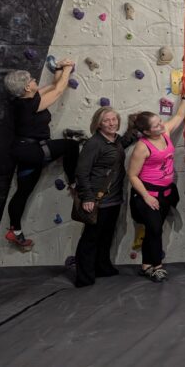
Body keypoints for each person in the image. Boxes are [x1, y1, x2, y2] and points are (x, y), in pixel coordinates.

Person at [3, 60, 79, 250]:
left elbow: (53, 85)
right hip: (32, 151)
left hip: (24, 152)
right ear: (27, 87)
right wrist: (69, 68)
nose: (35, 80)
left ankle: (15, 231)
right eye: (31, 79)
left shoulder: (26, 100)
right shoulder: (28, 105)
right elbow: (59, 91)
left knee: (23, 192)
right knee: (71, 146)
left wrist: (60, 68)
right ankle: (74, 183)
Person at [127, 82, 185, 282]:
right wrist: (146, 197)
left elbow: (179, 116)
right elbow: (132, 175)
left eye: (160, 121)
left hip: (165, 192)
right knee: (155, 230)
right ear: (147, 132)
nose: (161, 125)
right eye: (156, 125)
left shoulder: (164, 133)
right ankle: (156, 266)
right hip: (147, 194)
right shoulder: (142, 147)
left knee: (154, 230)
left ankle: (146, 265)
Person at [73, 107, 139, 287]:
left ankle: (102, 267)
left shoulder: (115, 140)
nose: (111, 123)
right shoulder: (94, 143)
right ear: (98, 124)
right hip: (98, 199)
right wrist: (87, 197)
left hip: (114, 198)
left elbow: (124, 142)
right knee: (91, 238)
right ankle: (84, 277)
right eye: (106, 120)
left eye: (114, 119)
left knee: (106, 236)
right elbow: (81, 172)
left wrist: (134, 126)